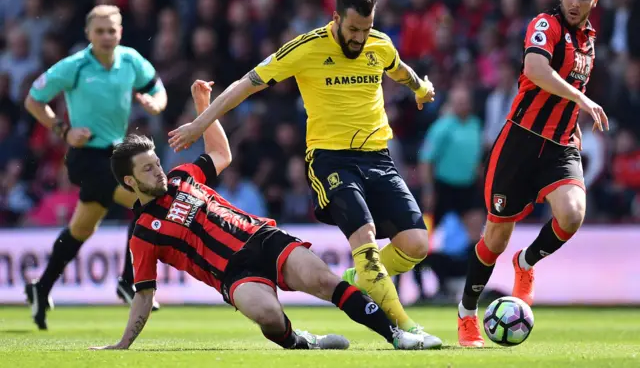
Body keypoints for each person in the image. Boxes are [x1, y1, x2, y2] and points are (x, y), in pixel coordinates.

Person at [167, 0, 442, 348]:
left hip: (378, 157)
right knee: (367, 243)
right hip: (331, 160)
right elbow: (246, 84)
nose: (360, 37)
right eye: (353, 29)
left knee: (417, 244)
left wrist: (420, 89)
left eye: (366, 28)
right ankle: (405, 328)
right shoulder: (306, 48)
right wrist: (200, 123)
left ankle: (361, 277)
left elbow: (400, 69)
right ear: (335, 19)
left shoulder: (380, 43)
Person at [90, 80, 426, 351]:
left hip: (262, 237)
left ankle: (396, 335)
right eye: (148, 169)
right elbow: (145, 294)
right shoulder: (144, 233)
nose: (158, 171)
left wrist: (204, 109)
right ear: (131, 182)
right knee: (268, 315)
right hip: (233, 272)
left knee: (325, 281)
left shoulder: (181, 177)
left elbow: (220, 154)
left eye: (157, 163)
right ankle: (300, 342)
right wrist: (123, 344)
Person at [457, 0, 609, 347]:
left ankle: (525, 264)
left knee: (572, 215)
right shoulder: (545, 24)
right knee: (494, 239)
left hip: (559, 146)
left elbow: (570, 82)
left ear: (595, 0)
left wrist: (572, 115)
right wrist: (582, 100)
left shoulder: (590, 39)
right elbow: (535, 69)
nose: (576, 2)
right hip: (519, 144)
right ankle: (467, 313)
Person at [23, 5, 167, 330]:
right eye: (99, 31)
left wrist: (155, 103)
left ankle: (40, 287)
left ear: (120, 32)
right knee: (148, 202)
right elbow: (33, 99)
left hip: (116, 156)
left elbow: (156, 86)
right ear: (88, 34)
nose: (106, 36)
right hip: (85, 157)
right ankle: (129, 282)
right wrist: (63, 130)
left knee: (81, 229)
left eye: (111, 30)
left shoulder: (130, 60)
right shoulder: (74, 66)